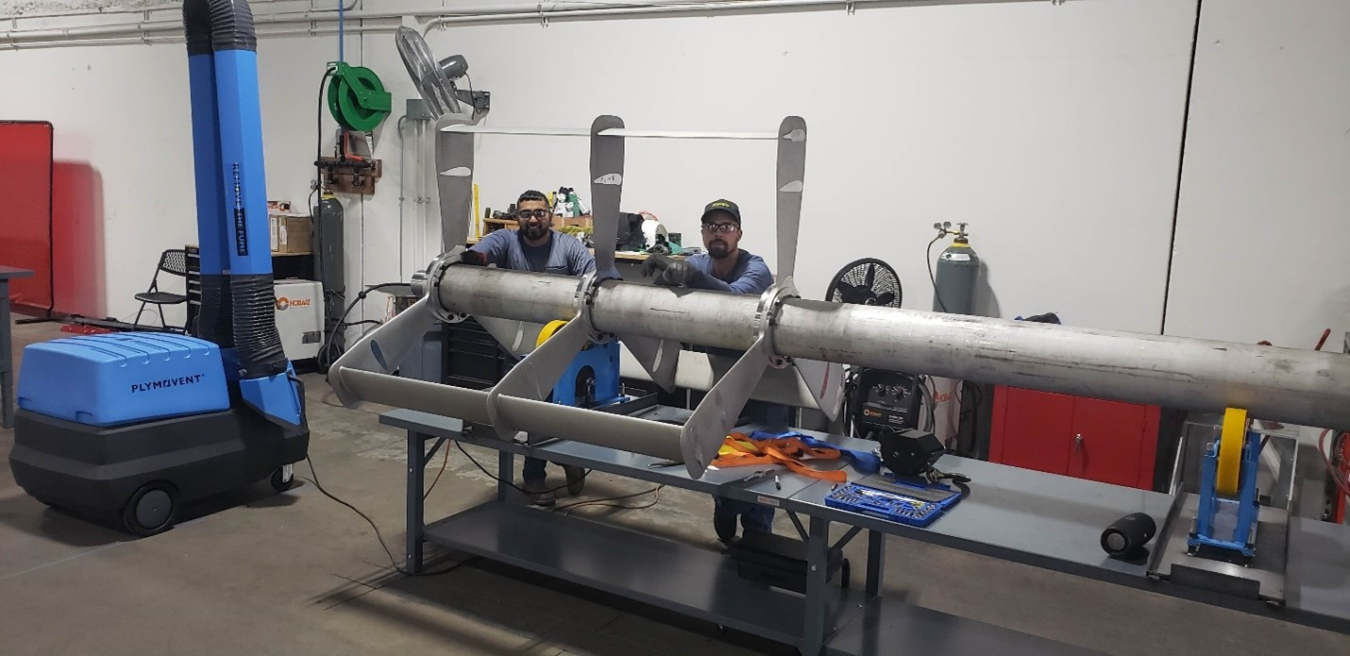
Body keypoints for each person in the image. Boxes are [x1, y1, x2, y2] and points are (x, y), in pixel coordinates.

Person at [643, 199, 788, 544]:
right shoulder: (698, 261)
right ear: (703, 233)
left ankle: (757, 537)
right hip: (718, 375)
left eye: (726, 226)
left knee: (758, 460)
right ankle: (724, 506)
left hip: (760, 381)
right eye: (711, 227)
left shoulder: (757, 268)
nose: (718, 233)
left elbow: (735, 300)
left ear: (739, 232)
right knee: (718, 451)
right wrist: (665, 276)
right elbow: (663, 297)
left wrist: (690, 275)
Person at [464, 189, 594, 506]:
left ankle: (548, 469)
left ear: (550, 215)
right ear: (517, 218)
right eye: (525, 213)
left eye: (539, 212)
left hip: (560, 345)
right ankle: (548, 469)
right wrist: (473, 258)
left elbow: (594, 278)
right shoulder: (508, 241)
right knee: (524, 413)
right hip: (518, 344)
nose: (533, 219)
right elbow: (486, 249)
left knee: (552, 414)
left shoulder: (568, 247)